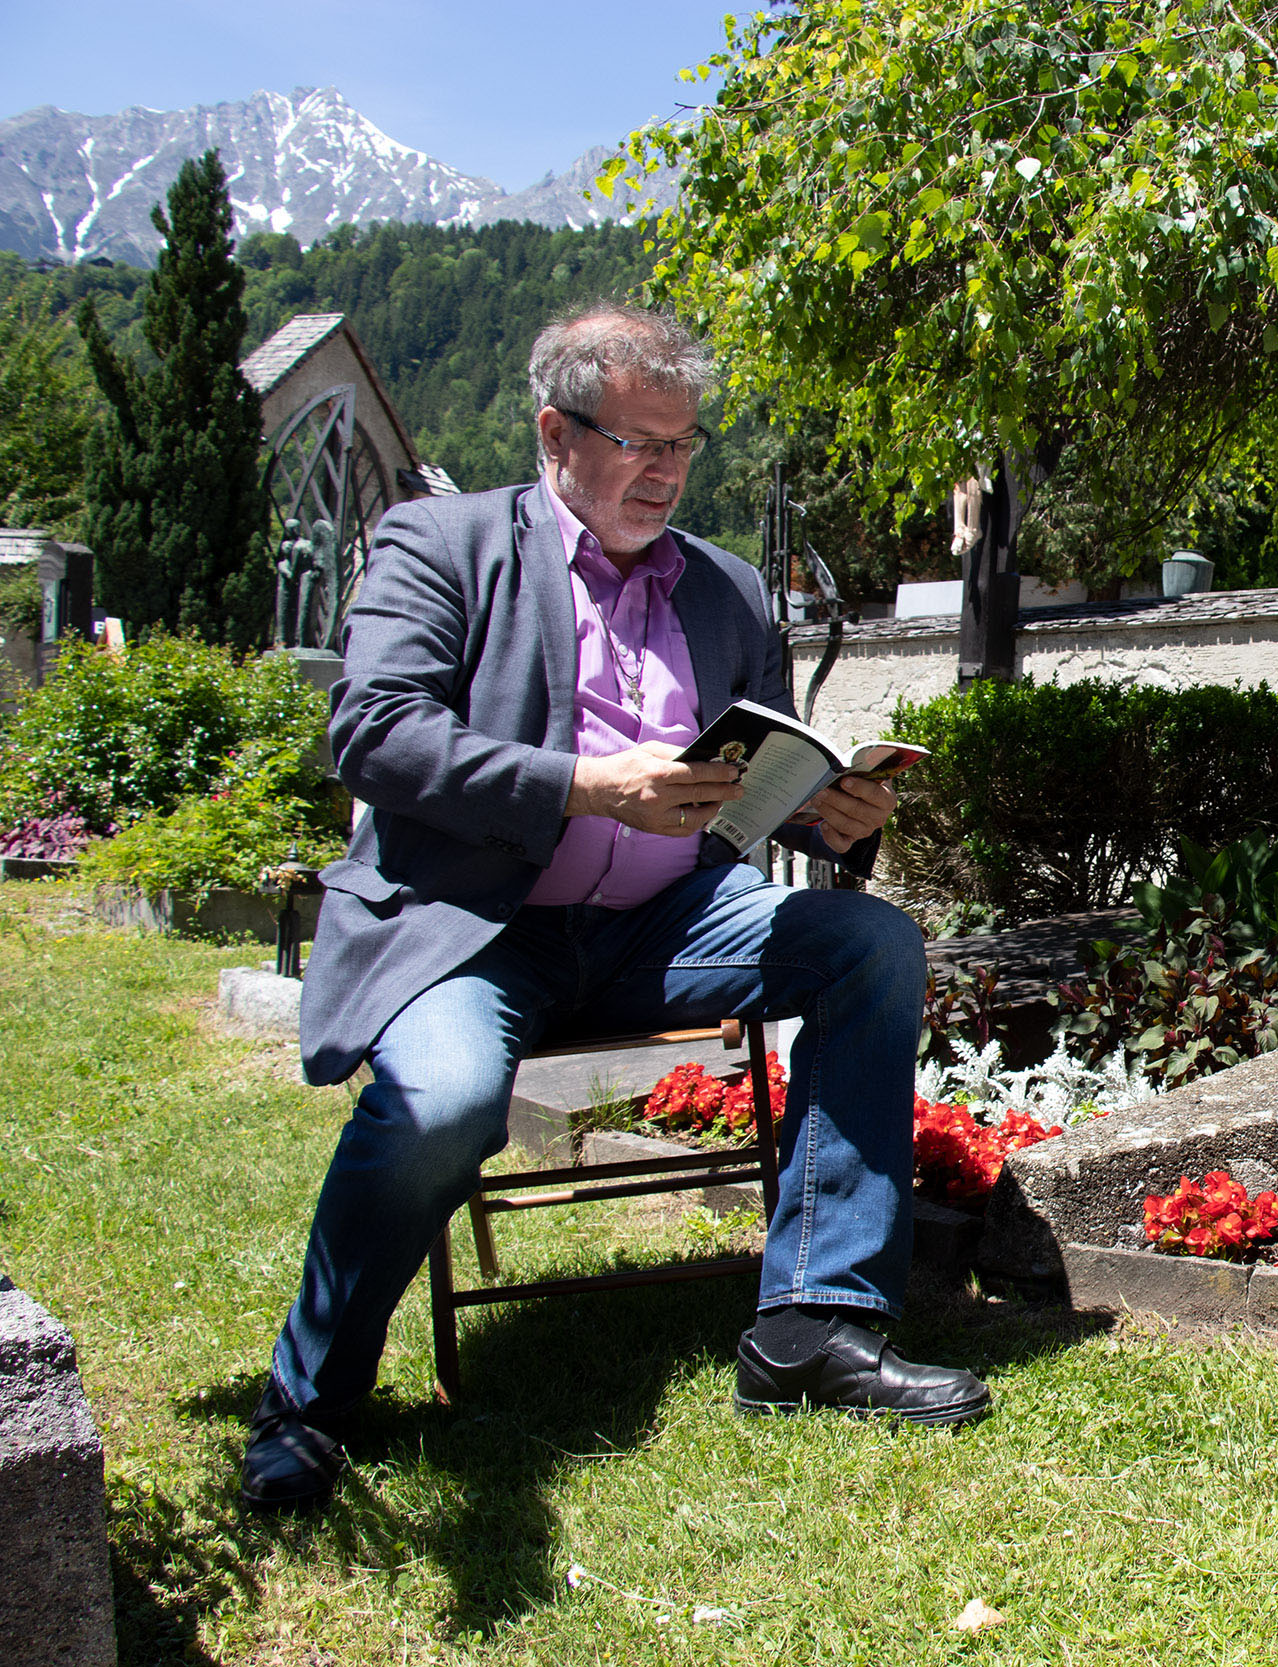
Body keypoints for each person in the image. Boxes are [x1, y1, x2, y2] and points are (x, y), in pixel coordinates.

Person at [241, 303, 989, 1513]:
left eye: (684, 445)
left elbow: (748, 787)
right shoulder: (440, 544)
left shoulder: (728, 591)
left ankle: (813, 1324)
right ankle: (310, 1396)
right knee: (441, 1101)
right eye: (640, 442)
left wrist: (829, 813)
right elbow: (373, 733)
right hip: (477, 929)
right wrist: (589, 786)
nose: (666, 472)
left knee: (869, 942)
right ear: (556, 431)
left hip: (667, 924)